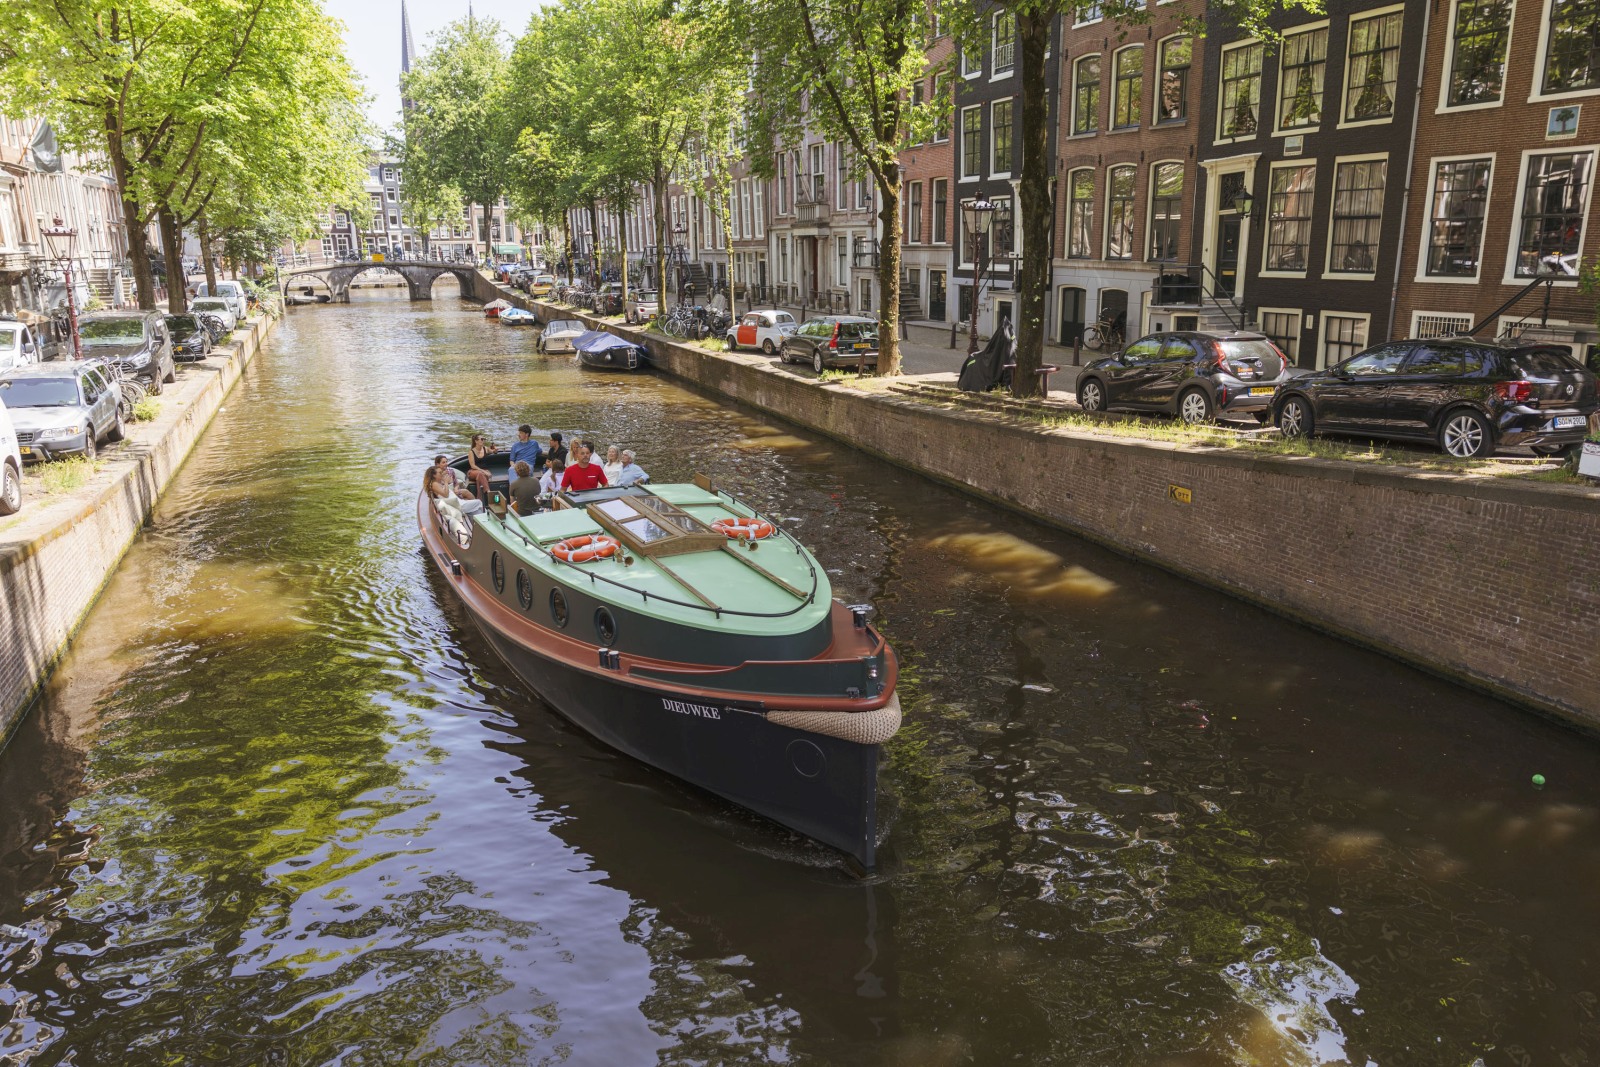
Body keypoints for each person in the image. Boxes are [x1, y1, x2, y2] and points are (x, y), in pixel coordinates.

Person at [466, 433, 496, 500]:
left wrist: (495, 450)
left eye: (484, 439)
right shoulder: (471, 452)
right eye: (482, 439)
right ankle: (488, 492)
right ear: (476, 441)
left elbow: (493, 451)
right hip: (473, 471)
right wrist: (483, 471)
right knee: (480, 474)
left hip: (483, 472)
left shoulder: (485, 448)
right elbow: (473, 465)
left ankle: (479, 499)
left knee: (479, 477)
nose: (483, 441)